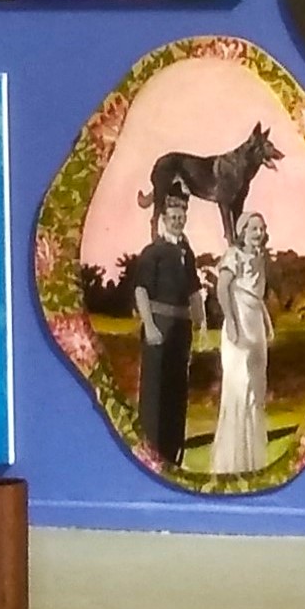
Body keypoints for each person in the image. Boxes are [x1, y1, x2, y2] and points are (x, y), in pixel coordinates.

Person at [130, 186, 201, 469]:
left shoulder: (187, 253)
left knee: (177, 390)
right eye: (173, 217)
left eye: (181, 217)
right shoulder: (153, 252)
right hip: (158, 328)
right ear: (163, 219)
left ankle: (174, 453)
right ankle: (152, 453)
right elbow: (141, 291)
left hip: (181, 332)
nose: (178, 221)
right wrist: (149, 326)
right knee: (155, 392)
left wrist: (201, 324)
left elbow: (194, 291)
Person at [207, 211, 273, 476]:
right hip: (239, 326)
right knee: (240, 386)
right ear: (242, 231)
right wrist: (232, 322)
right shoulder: (233, 255)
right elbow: (222, 289)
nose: (258, 233)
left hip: (256, 326)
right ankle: (231, 460)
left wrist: (267, 323)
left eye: (261, 228)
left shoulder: (260, 258)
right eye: (253, 228)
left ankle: (251, 460)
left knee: (256, 388)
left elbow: (257, 296)